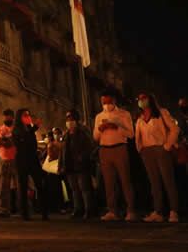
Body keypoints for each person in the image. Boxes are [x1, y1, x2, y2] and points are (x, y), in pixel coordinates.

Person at [134, 93, 180, 223]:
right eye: (139, 99)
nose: (141, 101)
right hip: (147, 152)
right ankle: (158, 211)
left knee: (167, 180)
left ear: (150, 99)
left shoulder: (161, 113)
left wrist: (167, 146)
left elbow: (174, 129)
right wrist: (140, 148)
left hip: (161, 149)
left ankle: (174, 210)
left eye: (144, 98)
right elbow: (138, 135)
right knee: (154, 182)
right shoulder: (140, 117)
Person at [93, 88, 136, 221]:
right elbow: (95, 137)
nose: (106, 104)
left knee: (125, 180)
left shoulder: (124, 114)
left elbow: (130, 134)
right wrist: (100, 130)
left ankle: (131, 210)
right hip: (104, 149)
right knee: (109, 182)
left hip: (120, 148)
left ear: (114, 101)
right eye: (103, 102)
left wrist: (116, 126)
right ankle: (112, 210)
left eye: (108, 101)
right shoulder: (99, 116)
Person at [13, 108, 48, 221]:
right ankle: (25, 213)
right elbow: (23, 139)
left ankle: (44, 211)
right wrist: (34, 128)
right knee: (23, 186)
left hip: (33, 159)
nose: (28, 117)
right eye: (25, 115)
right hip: (22, 160)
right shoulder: (17, 129)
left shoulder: (29, 128)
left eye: (28, 115)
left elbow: (31, 141)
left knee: (39, 184)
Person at [59, 109, 95, 219]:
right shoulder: (66, 134)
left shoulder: (83, 131)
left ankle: (89, 210)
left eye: (71, 118)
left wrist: (82, 157)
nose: (69, 120)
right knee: (74, 189)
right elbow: (63, 151)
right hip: (70, 165)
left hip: (81, 164)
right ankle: (78, 209)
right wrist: (61, 165)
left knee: (84, 188)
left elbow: (90, 146)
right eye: (67, 118)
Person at [0, 110, 18, 217]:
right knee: (3, 186)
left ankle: (23, 208)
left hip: (16, 159)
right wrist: (1, 142)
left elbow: (14, 142)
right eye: (5, 116)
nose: (7, 119)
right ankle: (3, 209)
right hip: (4, 159)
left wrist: (6, 141)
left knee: (19, 185)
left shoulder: (16, 129)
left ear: (12, 117)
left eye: (9, 116)